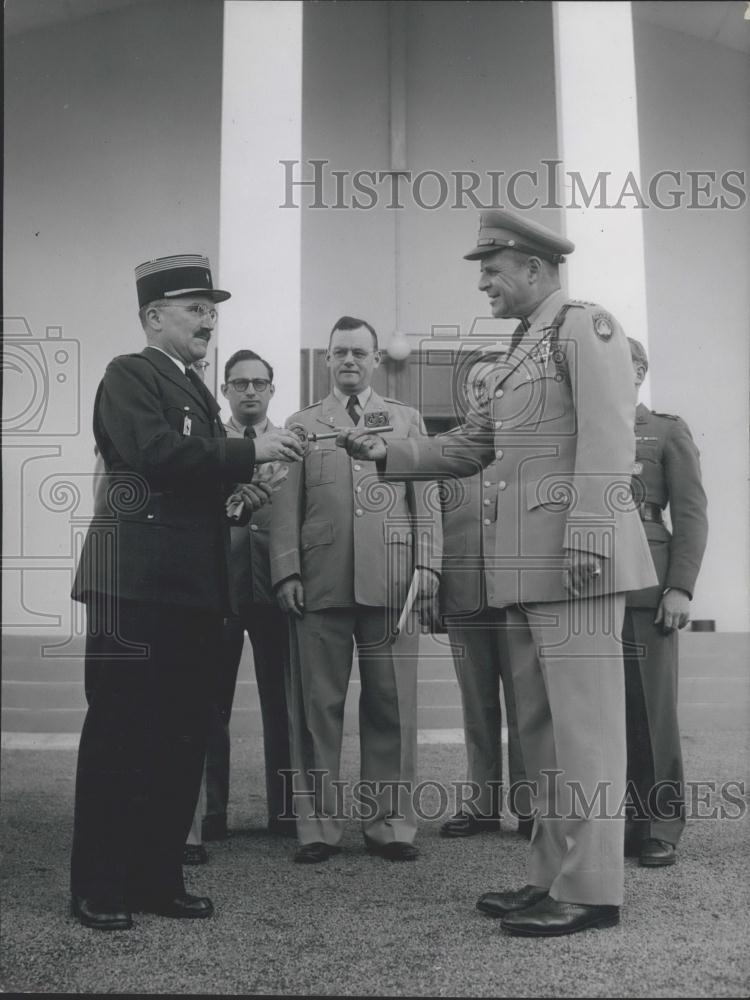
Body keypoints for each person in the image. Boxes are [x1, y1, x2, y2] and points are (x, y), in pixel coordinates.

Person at [338, 211, 657, 935]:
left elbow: (609, 437)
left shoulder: (586, 326)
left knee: (588, 736)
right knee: (543, 740)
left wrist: (588, 536)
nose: (482, 279)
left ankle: (595, 889)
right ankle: (549, 878)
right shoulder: (522, 348)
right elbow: (475, 442)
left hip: (576, 567)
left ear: (537, 268)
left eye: (492, 266)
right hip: (525, 573)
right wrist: (386, 455)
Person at [69, 254, 303, 930]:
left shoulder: (198, 390)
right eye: (196, 308)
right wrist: (251, 453)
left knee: (179, 737)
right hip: (134, 588)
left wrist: (240, 490)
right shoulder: (128, 375)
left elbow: (193, 478)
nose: (209, 320)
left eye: (212, 309)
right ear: (153, 317)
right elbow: (156, 455)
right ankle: (101, 887)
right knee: (119, 732)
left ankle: (156, 877)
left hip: (194, 592)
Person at [270, 315, 442, 863]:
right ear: (326, 359)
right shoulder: (300, 424)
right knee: (317, 707)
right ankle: (317, 828)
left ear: (375, 360)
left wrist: (429, 566)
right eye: (339, 352)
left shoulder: (405, 420)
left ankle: (391, 824)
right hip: (319, 584)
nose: (349, 361)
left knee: (392, 704)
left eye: (359, 353)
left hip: (392, 584)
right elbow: (284, 508)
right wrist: (286, 571)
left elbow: (427, 499)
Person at [184, 349, 296, 865]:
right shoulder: (209, 447)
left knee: (282, 702)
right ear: (225, 391)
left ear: (273, 389)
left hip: (276, 589)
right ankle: (212, 813)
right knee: (211, 704)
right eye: (239, 383)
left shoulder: (292, 446)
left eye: (259, 383)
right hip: (219, 590)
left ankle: (285, 809)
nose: (249, 391)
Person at [435, 357, 532, 840]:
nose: (487, 391)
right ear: (467, 393)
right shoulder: (448, 449)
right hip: (464, 594)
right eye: (479, 384)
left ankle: (531, 803)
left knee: (525, 703)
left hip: (516, 594)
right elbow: (431, 521)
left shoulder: (528, 447)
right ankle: (481, 802)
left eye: (497, 383)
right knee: (476, 704)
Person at [623, 337, 708, 867]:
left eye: (620, 365)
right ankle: (615, 822)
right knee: (602, 716)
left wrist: (679, 585)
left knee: (652, 712)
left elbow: (692, 513)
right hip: (587, 591)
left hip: (648, 587)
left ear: (638, 370)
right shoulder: (579, 431)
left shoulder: (664, 430)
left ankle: (660, 824)